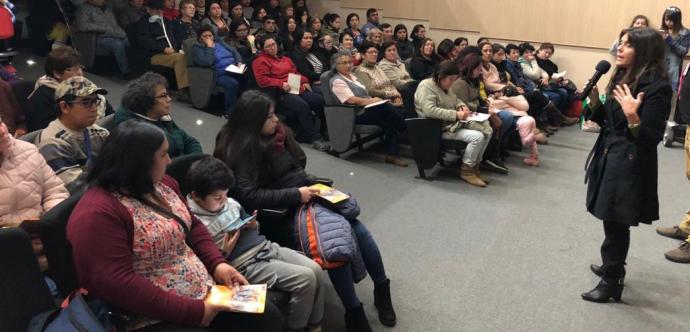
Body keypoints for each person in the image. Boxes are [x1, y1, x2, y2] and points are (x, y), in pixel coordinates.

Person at [67, 120, 283, 331]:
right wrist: (192, 311)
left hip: (202, 292)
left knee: (268, 316)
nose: (169, 161)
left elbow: (194, 225)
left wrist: (218, 264)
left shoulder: (160, 184)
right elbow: (119, 284)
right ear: (138, 162)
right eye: (163, 155)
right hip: (152, 314)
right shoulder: (98, 213)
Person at [214, 90, 397, 332]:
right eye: (269, 117)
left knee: (357, 228)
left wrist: (314, 186)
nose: (276, 120)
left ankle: (381, 288)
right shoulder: (240, 148)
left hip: (304, 196)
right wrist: (297, 194)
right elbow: (248, 196)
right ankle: (353, 309)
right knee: (332, 242)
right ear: (253, 121)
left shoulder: (279, 135)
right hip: (280, 213)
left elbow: (296, 169)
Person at [186, 156, 325, 332]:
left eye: (226, 194)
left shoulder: (230, 203)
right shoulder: (194, 221)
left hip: (264, 247)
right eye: (217, 197)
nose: (224, 200)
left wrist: (253, 224)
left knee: (316, 269)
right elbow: (204, 263)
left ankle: (314, 323)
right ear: (197, 196)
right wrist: (225, 250)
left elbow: (253, 227)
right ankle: (295, 327)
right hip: (243, 264)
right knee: (305, 279)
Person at [583, 27, 671, 303]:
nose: (618, 49)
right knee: (611, 218)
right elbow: (609, 121)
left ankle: (612, 280)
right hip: (612, 152)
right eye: (619, 43)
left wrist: (633, 116)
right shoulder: (623, 76)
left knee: (617, 221)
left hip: (631, 162)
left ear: (643, 51)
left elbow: (650, 138)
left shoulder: (657, 86)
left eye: (627, 45)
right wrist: (596, 104)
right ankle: (613, 265)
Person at [416, 60, 492, 187]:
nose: (452, 83)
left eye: (454, 79)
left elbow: (455, 100)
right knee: (477, 137)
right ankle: (467, 172)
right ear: (440, 76)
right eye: (450, 79)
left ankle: (474, 167)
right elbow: (429, 111)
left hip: (450, 123)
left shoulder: (445, 85)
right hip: (436, 128)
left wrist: (462, 106)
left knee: (487, 131)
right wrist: (456, 114)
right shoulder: (426, 86)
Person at [252, 35, 330, 151]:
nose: (272, 48)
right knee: (302, 106)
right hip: (280, 93)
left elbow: (296, 72)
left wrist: (304, 81)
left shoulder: (285, 59)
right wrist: (280, 84)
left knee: (321, 101)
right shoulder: (260, 61)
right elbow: (262, 81)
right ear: (263, 48)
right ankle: (316, 139)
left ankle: (324, 130)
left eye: (273, 45)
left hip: (297, 88)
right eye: (268, 46)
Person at [330, 51, 407, 167]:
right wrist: (373, 100)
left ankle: (392, 154)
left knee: (395, 113)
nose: (348, 65)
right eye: (343, 63)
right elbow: (351, 100)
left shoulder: (353, 76)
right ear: (336, 65)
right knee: (388, 109)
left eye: (350, 62)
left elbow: (365, 94)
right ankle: (406, 129)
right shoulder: (337, 81)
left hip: (368, 109)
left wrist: (375, 100)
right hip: (355, 114)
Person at [36, 76, 110, 194]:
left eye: (95, 101)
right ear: (64, 107)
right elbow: (75, 190)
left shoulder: (99, 132)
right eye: (86, 103)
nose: (94, 108)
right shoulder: (52, 143)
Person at [0, 115, 68, 240]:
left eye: (0, 123)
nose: (2, 131)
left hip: (42, 234)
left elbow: (55, 191)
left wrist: (49, 219)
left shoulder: (27, 150)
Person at [114, 72, 202, 158]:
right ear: (147, 101)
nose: (169, 99)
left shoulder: (161, 116)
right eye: (163, 96)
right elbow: (159, 166)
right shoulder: (139, 133)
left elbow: (189, 141)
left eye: (167, 94)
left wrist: (194, 161)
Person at [26, 47, 113, 132]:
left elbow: (111, 116)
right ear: (57, 74)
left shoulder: (85, 87)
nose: (80, 73)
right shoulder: (42, 97)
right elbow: (48, 130)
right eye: (74, 69)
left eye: (80, 67)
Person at [131, 0, 192, 103]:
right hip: (154, 54)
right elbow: (144, 41)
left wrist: (177, 48)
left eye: (161, 10)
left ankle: (190, 88)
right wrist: (162, 48)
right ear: (148, 9)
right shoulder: (143, 23)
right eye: (156, 10)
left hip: (171, 53)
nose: (159, 12)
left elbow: (173, 38)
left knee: (186, 56)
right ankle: (183, 90)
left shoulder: (166, 22)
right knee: (180, 58)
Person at [192, 26, 245, 117]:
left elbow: (234, 51)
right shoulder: (198, 48)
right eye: (205, 36)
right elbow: (207, 62)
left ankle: (246, 108)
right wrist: (209, 47)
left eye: (210, 35)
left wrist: (239, 62)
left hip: (234, 69)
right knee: (232, 83)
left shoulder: (219, 42)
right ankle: (229, 113)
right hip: (219, 74)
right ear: (200, 38)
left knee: (249, 76)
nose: (208, 38)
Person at [75, 0, 130, 76]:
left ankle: (136, 68)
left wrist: (122, 33)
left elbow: (114, 24)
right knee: (118, 45)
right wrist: (102, 29)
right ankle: (126, 71)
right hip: (100, 37)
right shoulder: (84, 8)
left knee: (132, 41)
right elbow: (83, 25)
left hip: (116, 34)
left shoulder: (107, 8)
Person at [354, 41, 403, 107]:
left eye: (376, 52)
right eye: (371, 52)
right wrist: (392, 94)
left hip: (392, 100)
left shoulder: (377, 67)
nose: (374, 54)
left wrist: (396, 96)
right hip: (378, 104)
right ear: (363, 55)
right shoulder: (361, 70)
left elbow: (390, 84)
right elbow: (370, 91)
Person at [661, 6, 690, 93]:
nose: (668, 23)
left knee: (672, 99)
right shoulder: (661, 31)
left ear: (677, 20)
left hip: (674, 72)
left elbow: (683, 51)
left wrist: (669, 40)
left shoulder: (685, 32)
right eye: (666, 19)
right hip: (660, 69)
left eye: (671, 20)